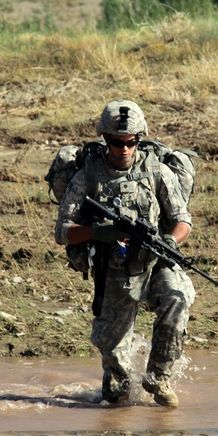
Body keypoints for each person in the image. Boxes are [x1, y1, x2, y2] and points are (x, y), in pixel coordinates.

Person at [55, 100, 196, 408]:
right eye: (117, 142)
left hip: (155, 259)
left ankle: (159, 378)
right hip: (114, 270)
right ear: (105, 139)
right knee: (115, 394)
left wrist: (171, 241)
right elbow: (63, 231)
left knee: (179, 296)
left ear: (139, 140)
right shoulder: (87, 177)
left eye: (131, 142)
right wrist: (97, 233)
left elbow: (182, 219)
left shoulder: (157, 170)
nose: (124, 148)